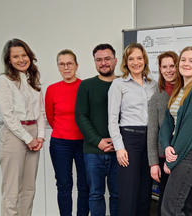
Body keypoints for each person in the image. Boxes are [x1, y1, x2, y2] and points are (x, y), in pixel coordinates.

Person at [0, 38, 45, 216]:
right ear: (9, 60)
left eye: (24, 55)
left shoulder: (33, 79)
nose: (21, 59)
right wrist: (28, 139)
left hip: (33, 135)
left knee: (29, 189)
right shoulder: (4, 81)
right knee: (12, 191)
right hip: (14, 135)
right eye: (16, 56)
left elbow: (40, 111)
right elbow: (8, 116)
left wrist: (39, 137)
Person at [159, 46, 192, 216]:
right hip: (178, 152)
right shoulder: (179, 89)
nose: (186, 63)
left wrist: (171, 161)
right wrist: (166, 146)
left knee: (170, 208)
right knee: (186, 207)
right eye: (183, 60)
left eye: (191, 60)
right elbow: (166, 122)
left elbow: (190, 130)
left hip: (190, 155)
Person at [108, 43, 156, 216]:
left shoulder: (153, 84)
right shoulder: (118, 84)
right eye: (131, 59)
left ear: (145, 60)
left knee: (145, 191)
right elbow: (112, 119)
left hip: (150, 140)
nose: (136, 62)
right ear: (125, 62)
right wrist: (119, 147)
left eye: (139, 58)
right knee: (128, 192)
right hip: (129, 139)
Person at [75, 44, 119, 216]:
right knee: (95, 194)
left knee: (118, 195)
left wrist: (117, 142)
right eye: (99, 60)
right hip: (93, 151)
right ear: (94, 62)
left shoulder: (124, 84)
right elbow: (81, 116)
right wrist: (98, 141)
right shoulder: (86, 86)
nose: (103, 63)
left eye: (107, 59)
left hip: (119, 150)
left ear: (115, 60)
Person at [45, 49, 89, 216]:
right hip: (60, 144)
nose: (66, 67)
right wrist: (64, 131)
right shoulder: (52, 89)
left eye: (69, 63)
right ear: (58, 67)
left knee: (84, 185)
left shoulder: (85, 87)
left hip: (84, 143)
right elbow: (50, 117)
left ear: (76, 65)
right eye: (62, 64)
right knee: (64, 185)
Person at [147, 51, 178, 216]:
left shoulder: (187, 92)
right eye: (164, 67)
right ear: (159, 69)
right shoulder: (156, 98)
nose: (169, 70)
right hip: (162, 159)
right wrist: (153, 164)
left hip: (184, 157)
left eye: (172, 66)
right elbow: (151, 133)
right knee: (164, 203)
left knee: (182, 202)